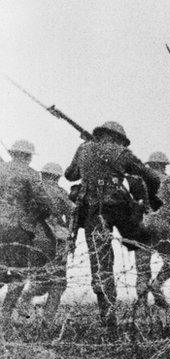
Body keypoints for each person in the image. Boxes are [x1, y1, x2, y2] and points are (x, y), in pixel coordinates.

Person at [65, 122, 160, 327]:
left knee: (100, 262)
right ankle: (142, 290)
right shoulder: (122, 152)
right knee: (142, 241)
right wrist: (148, 200)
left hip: (91, 208)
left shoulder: (83, 149)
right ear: (118, 138)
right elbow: (151, 177)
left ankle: (108, 316)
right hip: (119, 207)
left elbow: (70, 174)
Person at [0, 140, 54, 320]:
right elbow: (45, 204)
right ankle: (5, 316)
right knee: (18, 273)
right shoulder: (31, 174)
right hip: (18, 228)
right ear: (28, 156)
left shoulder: (1, 169)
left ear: (12, 153)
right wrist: (36, 217)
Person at [134, 151, 170, 310]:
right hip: (164, 227)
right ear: (163, 166)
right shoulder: (169, 182)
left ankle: (141, 306)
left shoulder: (140, 182)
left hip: (142, 226)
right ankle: (157, 285)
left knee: (142, 269)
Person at [19, 162, 74, 319]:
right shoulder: (61, 193)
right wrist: (70, 236)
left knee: (39, 278)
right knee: (58, 282)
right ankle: (48, 319)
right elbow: (72, 215)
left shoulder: (32, 192)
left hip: (33, 239)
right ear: (57, 177)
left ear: (42, 174)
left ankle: (24, 300)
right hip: (54, 241)